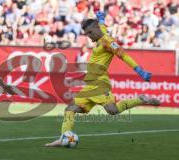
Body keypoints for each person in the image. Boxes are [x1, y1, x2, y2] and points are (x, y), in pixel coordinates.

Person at [45, 12, 160, 147]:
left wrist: (140, 70)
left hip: (100, 84)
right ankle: (63, 137)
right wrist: (101, 19)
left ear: (95, 29)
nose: (88, 36)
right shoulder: (101, 34)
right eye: (86, 34)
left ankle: (141, 99)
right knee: (70, 109)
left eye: (89, 33)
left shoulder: (108, 42)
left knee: (113, 111)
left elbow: (124, 55)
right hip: (90, 85)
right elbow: (102, 28)